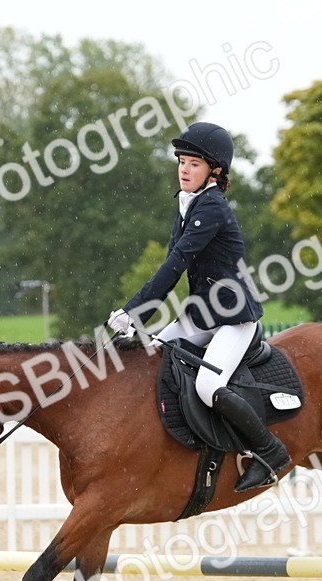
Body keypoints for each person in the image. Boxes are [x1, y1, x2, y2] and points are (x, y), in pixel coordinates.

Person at [105, 121, 290, 493]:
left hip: (234, 319)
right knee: (149, 354)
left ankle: (270, 453)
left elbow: (175, 263)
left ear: (214, 171)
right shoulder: (188, 203)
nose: (184, 169)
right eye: (182, 162)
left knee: (208, 384)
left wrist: (136, 310)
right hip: (201, 315)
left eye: (194, 164)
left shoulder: (213, 208)